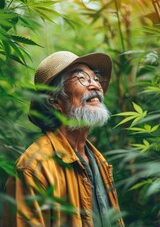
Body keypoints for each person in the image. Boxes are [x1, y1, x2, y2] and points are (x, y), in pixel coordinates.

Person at [3, 51, 124, 227]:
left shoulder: (99, 161)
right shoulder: (34, 168)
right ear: (55, 100)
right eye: (81, 77)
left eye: (95, 78)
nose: (95, 85)